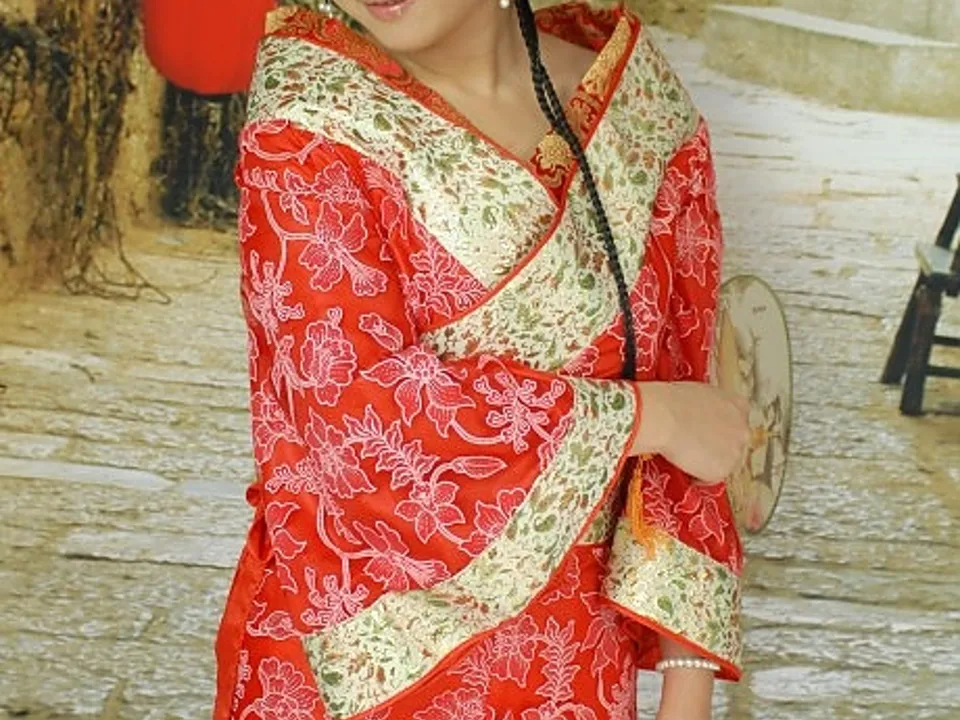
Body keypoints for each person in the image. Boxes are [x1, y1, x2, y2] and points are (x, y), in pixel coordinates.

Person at [143, 1, 751, 718]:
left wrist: (686, 691)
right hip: (363, 670)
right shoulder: (308, 123)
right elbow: (357, 426)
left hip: (574, 671)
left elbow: (692, 429)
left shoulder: (642, 117)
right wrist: (651, 418)